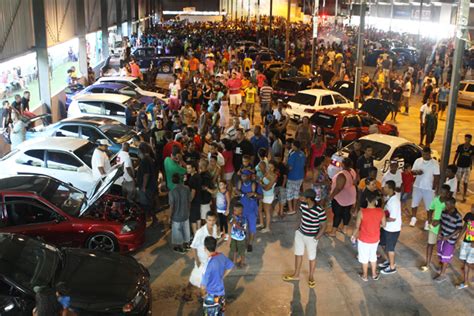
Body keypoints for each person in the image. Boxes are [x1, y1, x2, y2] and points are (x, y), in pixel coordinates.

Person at [282, 189, 327, 288]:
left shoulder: (319, 209)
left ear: (309, 199)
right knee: (298, 254)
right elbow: (302, 216)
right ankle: (296, 275)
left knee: (312, 258)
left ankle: (311, 277)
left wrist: (316, 238)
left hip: (312, 237)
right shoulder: (303, 205)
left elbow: (323, 226)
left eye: (303, 196)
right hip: (300, 234)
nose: (300, 197)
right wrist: (298, 228)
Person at [352, 190, 386, 281]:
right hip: (375, 238)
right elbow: (384, 224)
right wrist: (377, 225)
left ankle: (365, 276)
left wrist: (353, 235)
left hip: (364, 239)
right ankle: (374, 275)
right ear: (376, 200)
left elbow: (357, 226)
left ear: (366, 199)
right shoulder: (381, 211)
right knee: (373, 256)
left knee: (364, 258)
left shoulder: (362, 212)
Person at [184, 212, 219, 301]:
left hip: (209, 259)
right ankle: (187, 293)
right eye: (209, 220)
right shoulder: (200, 232)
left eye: (213, 220)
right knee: (194, 278)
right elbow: (193, 247)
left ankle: (201, 294)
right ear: (206, 220)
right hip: (201, 259)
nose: (211, 222)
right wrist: (197, 260)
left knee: (203, 278)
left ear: (215, 220)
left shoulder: (214, 228)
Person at [420, 184, 450, 272]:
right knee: (430, 245)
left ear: (448, 194)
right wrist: (429, 219)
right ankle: (427, 263)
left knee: (442, 248)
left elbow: (449, 216)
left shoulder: (448, 203)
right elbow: (431, 209)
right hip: (434, 227)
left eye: (444, 193)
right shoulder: (436, 199)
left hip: (443, 228)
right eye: (441, 192)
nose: (442, 194)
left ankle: (441, 264)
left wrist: (439, 221)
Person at [200, 236, 234, 313]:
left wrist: (203, 296)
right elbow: (230, 266)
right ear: (215, 246)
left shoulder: (207, 265)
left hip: (211, 295)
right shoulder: (221, 256)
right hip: (221, 293)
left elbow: (202, 287)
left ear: (205, 248)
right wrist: (222, 276)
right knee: (220, 313)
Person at [410, 147, 440, 230]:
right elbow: (412, 171)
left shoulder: (435, 163)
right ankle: (413, 218)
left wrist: (434, 188)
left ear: (429, 153)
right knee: (414, 203)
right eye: (423, 154)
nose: (424, 156)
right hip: (417, 186)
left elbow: (437, 176)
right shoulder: (418, 160)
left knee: (429, 206)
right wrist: (416, 172)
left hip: (429, 188)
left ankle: (428, 221)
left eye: (426, 154)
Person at [433, 197, 463, 282]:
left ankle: (442, 275)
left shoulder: (458, 216)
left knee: (445, 257)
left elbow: (458, 229)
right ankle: (442, 267)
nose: (446, 206)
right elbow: (441, 223)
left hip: (450, 240)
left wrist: (448, 237)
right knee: (440, 254)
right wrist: (439, 232)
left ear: (453, 205)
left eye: (447, 204)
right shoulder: (444, 212)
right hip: (442, 237)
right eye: (445, 204)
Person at [327, 158, 357, 236]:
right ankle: (344, 229)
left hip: (341, 197)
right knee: (347, 212)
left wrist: (331, 196)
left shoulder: (342, 174)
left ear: (343, 164)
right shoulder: (352, 171)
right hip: (350, 196)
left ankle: (333, 232)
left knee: (337, 214)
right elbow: (355, 181)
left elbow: (338, 188)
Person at [379, 180, 402, 275]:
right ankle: (389, 261)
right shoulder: (390, 197)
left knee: (390, 248)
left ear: (390, 189)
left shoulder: (395, 202)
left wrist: (381, 220)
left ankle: (392, 267)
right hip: (386, 228)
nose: (383, 188)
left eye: (385, 187)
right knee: (384, 244)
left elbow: (392, 218)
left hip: (392, 229)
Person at [136, 142, 158, 225]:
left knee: (147, 204)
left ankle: (152, 219)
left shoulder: (145, 160)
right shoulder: (149, 158)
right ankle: (153, 218)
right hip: (151, 185)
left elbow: (146, 174)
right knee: (150, 203)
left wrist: (144, 187)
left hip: (147, 187)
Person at [169, 173, 191, 254]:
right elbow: (189, 202)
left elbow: (172, 207)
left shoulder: (172, 192)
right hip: (185, 214)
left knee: (178, 232)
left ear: (173, 181)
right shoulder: (187, 188)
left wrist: (169, 217)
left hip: (176, 216)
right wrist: (188, 211)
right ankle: (187, 245)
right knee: (186, 231)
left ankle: (181, 248)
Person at [238, 169, 258, 252]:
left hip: (252, 209)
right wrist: (242, 194)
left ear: (248, 176)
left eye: (244, 176)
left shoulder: (253, 183)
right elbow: (237, 190)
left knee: (252, 228)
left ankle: (250, 244)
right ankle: (244, 242)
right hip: (243, 209)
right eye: (242, 175)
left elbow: (254, 193)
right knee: (243, 227)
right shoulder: (240, 182)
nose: (242, 177)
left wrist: (253, 194)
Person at [286, 140, 306, 216]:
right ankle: (294, 208)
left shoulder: (293, 155)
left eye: (292, 145)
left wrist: (286, 165)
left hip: (292, 177)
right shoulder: (302, 154)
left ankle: (291, 209)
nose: (291, 146)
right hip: (300, 176)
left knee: (289, 193)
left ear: (294, 146)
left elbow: (290, 167)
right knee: (296, 193)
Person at [457, 204, 474, 290]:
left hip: (473, 245)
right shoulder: (469, 215)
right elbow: (464, 227)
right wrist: (458, 238)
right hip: (466, 242)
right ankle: (465, 282)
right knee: (464, 261)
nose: (472, 209)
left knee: (468, 263)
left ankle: (465, 282)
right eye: (472, 207)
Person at [453, 134, 474, 203]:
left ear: (470, 140)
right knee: (458, 179)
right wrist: (454, 162)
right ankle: (457, 189)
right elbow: (457, 154)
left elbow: (472, 157)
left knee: (465, 181)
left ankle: (464, 195)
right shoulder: (460, 146)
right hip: (459, 165)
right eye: (466, 139)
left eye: (468, 139)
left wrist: (471, 164)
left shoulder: (472, 148)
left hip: (467, 167)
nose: (467, 140)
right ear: (464, 139)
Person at [259, 160, 278, 233]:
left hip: (268, 196)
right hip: (263, 194)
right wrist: (262, 184)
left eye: (271, 167)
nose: (269, 169)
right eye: (268, 167)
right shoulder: (267, 172)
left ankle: (267, 227)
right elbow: (262, 181)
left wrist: (261, 184)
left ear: (274, 168)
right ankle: (262, 223)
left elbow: (267, 188)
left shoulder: (274, 176)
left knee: (267, 212)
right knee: (263, 210)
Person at [185, 161, 202, 234]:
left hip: (194, 201)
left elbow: (193, 191)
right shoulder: (198, 176)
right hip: (199, 199)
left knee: (193, 219)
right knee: (198, 217)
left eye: (189, 168)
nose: (187, 170)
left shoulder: (192, 179)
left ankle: (195, 235)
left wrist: (189, 201)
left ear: (193, 168)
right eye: (187, 168)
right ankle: (199, 232)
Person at [229, 202, 247, 267]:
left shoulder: (243, 219)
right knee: (234, 249)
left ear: (240, 211)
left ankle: (242, 262)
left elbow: (244, 229)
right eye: (234, 210)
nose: (234, 212)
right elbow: (230, 223)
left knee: (241, 251)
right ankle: (234, 260)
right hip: (233, 237)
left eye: (235, 210)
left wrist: (236, 224)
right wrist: (233, 221)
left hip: (241, 238)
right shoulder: (234, 217)